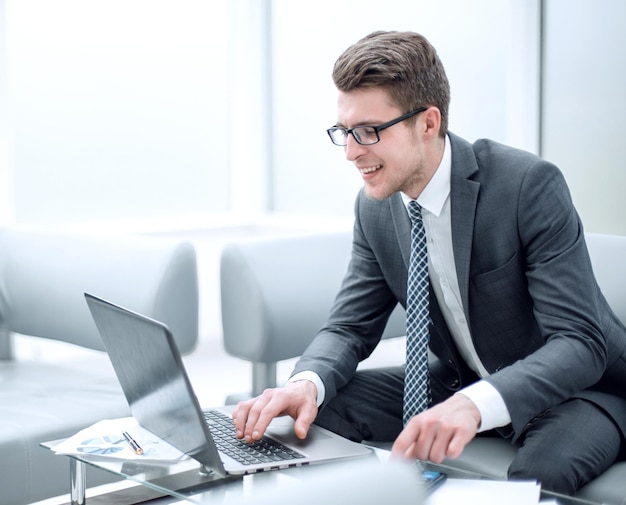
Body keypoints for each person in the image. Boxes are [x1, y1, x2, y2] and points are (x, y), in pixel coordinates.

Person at [232, 30, 626, 495]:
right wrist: (305, 383)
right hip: (458, 380)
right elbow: (349, 328)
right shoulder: (376, 207)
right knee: (306, 416)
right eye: (345, 132)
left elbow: (580, 342)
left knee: (539, 474)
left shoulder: (526, 188)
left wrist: (477, 405)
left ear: (428, 122)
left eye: (369, 132)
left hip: (577, 390)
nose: (352, 151)